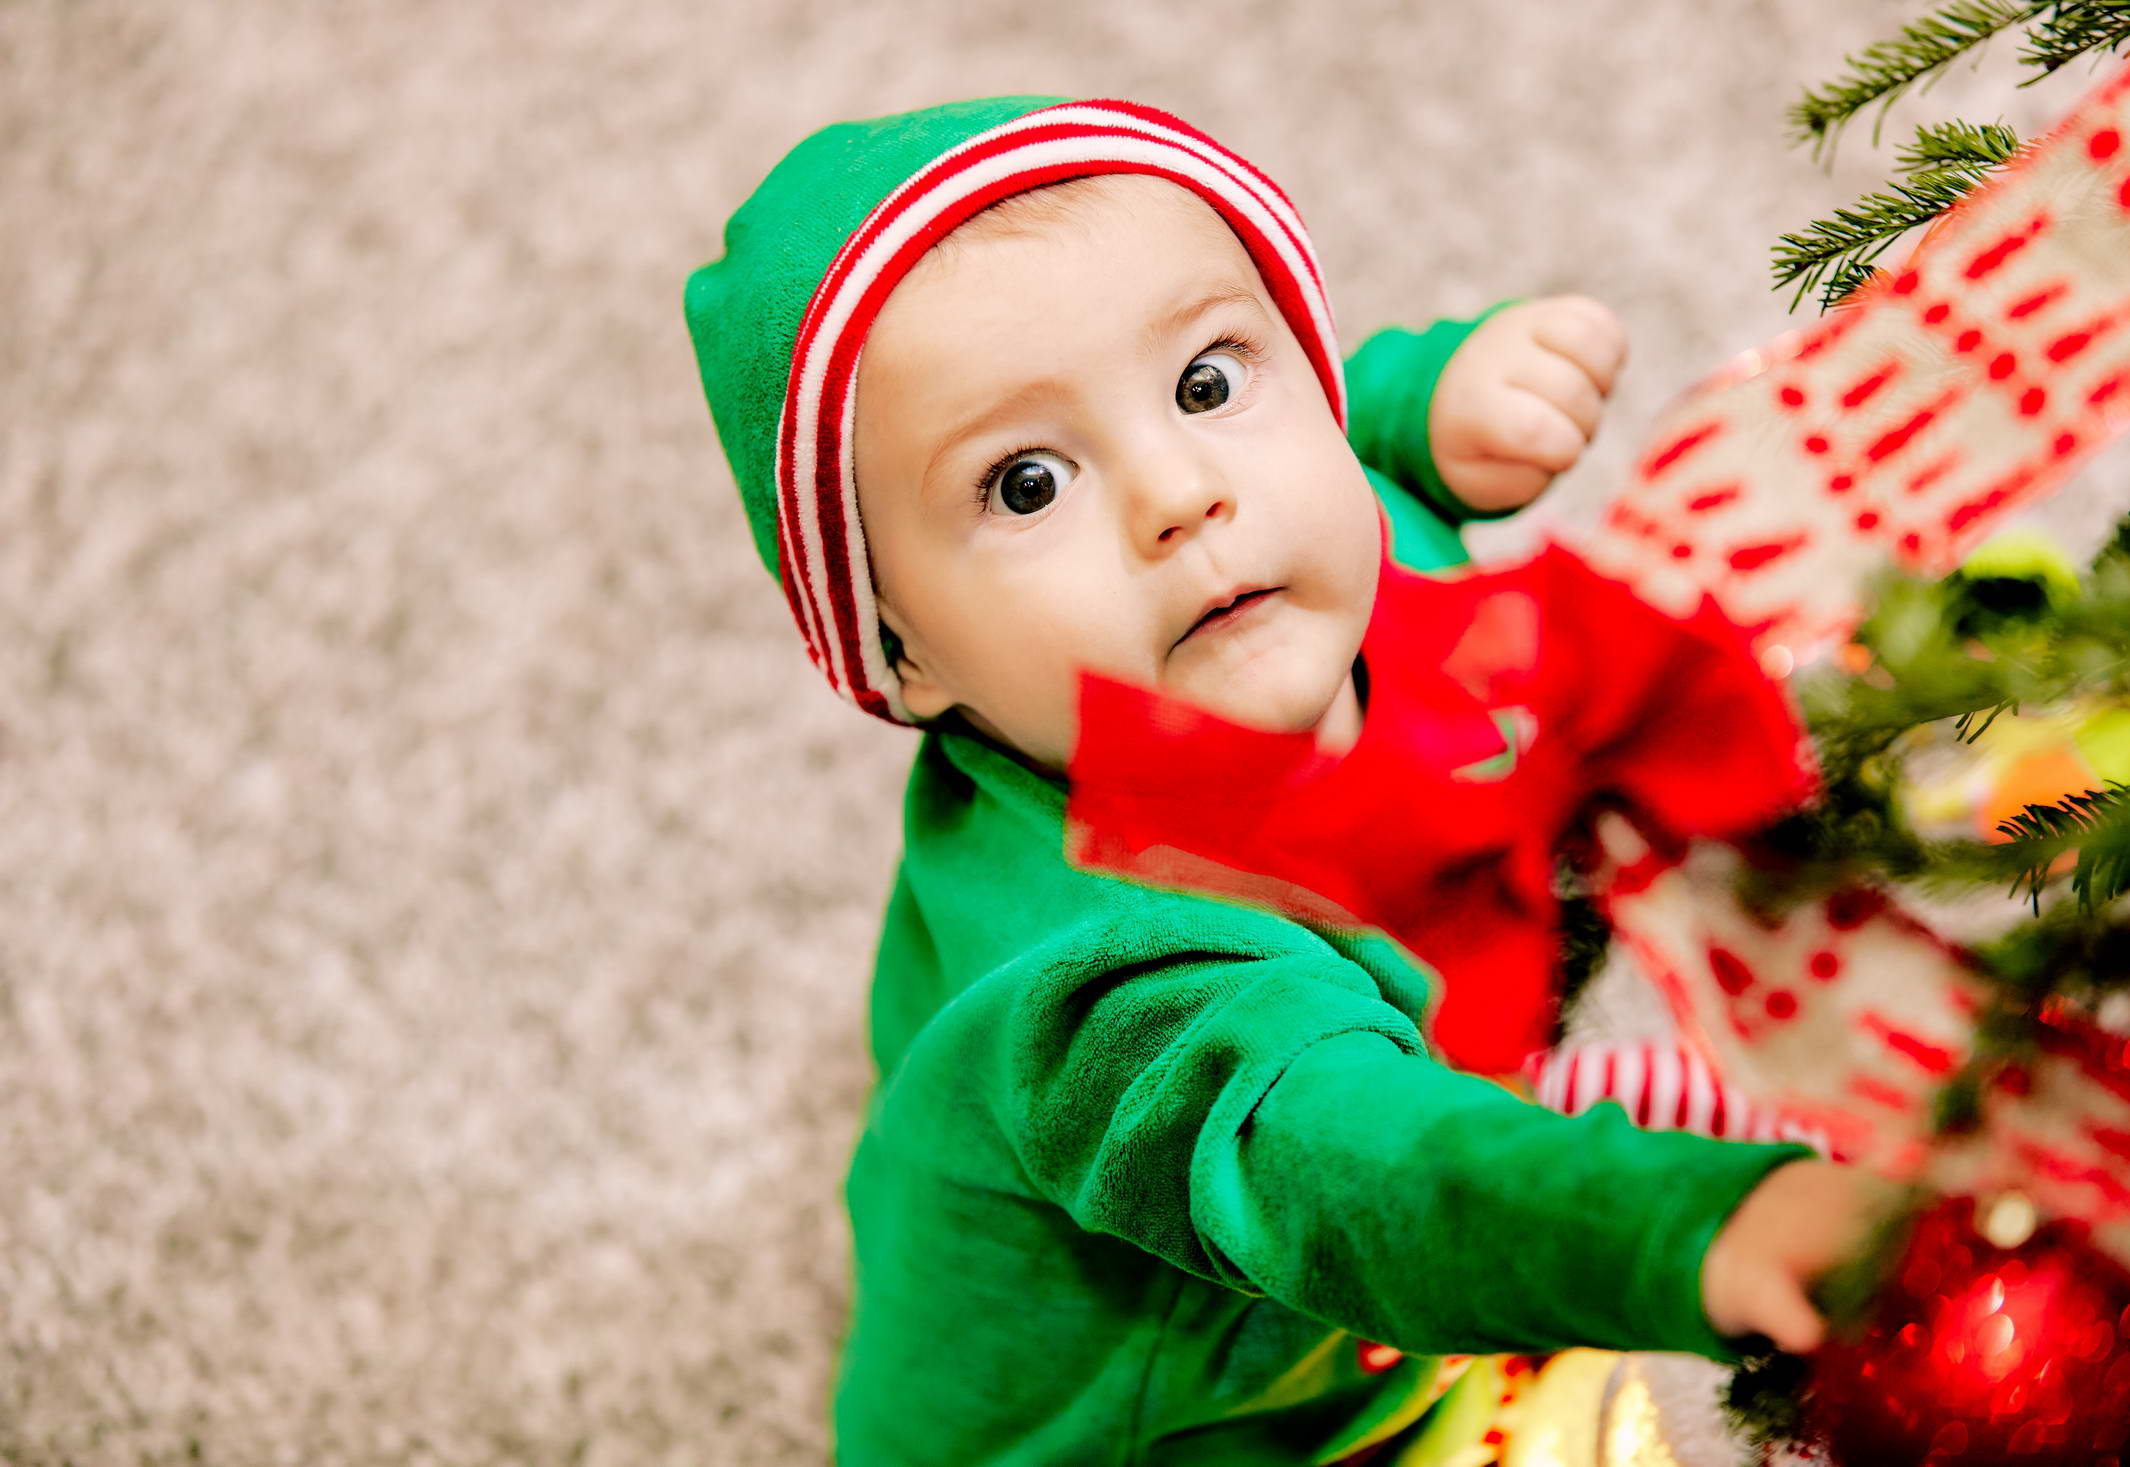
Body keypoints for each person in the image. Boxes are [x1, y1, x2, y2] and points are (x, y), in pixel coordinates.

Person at [684, 94, 1888, 1466]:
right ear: (901, 654)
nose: (1181, 494)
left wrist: (1431, 403)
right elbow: (1354, 1175)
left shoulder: (1290, 567)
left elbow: (1343, 430)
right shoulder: (1117, 996)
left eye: (1205, 382)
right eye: (1025, 484)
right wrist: (1698, 1231)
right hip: (1235, 1413)